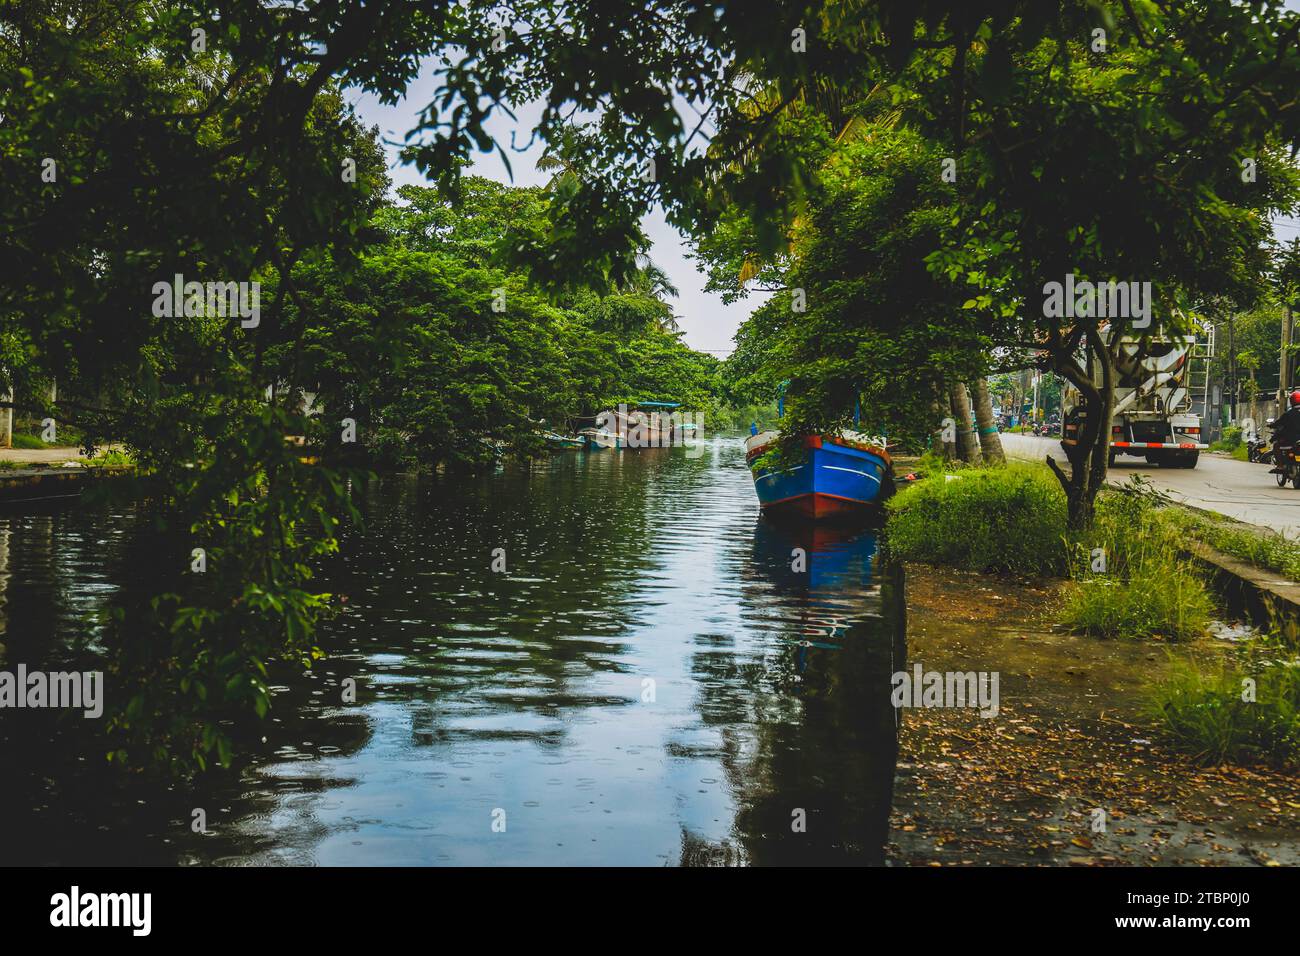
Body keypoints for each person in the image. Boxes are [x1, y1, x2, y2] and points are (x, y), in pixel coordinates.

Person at [1271, 390, 1300, 463]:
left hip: (1291, 440)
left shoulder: (1288, 414)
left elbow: (1278, 423)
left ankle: (1280, 466)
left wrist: (1271, 425)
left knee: (1276, 445)